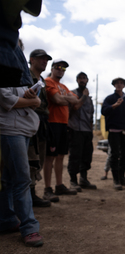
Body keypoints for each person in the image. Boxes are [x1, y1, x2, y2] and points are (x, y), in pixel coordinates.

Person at [0, 64, 44, 246]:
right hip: (10, 129)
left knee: (10, 178)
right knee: (22, 178)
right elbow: (5, 100)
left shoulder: (18, 73)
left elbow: (34, 101)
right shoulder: (4, 70)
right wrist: (32, 102)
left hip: (23, 129)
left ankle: (7, 220)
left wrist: (32, 98)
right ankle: (29, 227)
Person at [43, 59, 86, 200]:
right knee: (50, 157)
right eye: (58, 67)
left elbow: (77, 101)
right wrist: (66, 98)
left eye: (63, 68)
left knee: (60, 156)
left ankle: (59, 185)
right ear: (52, 68)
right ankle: (47, 189)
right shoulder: (48, 81)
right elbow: (58, 100)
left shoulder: (63, 86)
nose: (61, 70)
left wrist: (65, 98)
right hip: (52, 123)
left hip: (63, 124)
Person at [101, 77, 125, 190]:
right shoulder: (110, 98)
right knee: (114, 154)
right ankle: (116, 180)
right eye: (117, 83)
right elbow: (104, 111)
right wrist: (114, 105)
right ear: (114, 85)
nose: (119, 85)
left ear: (124, 85)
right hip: (113, 131)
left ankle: (122, 177)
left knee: (124, 155)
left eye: (121, 83)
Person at [28, 49, 53, 207]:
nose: (44, 62)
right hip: (29, 121)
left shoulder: (42, 80)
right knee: (30, 158)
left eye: (46, 59)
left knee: (39, 158)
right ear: (31, 59)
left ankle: (32, 192)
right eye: (41, 59)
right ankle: (28, 195)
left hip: (42, 123)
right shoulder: (25, 76)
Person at [67, 72, 96, 192]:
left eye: (84, 78)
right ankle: (73, 181)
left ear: (87, 80)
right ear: (77, 80)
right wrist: (83, 96)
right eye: (80, 78)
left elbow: (91, 116)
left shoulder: (89, 99)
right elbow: (75, 107)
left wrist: (91, 130)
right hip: (75, 130)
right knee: (75, 156)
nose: (82, 80)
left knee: (86, 156)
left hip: (86, 131)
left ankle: (83, 179)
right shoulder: (72, 93)